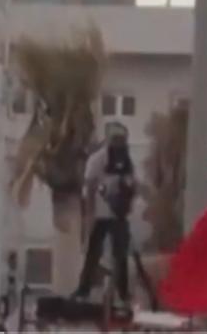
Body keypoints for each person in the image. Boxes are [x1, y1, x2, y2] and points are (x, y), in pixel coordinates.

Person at [74, 123, 137, 309]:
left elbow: (131, 185)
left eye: (122, 140)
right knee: (93, 252)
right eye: (116, 140)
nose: (119, 144)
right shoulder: (97, 160)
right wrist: (90, 216)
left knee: (121, 253)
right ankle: (84, 289)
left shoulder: (127, 159)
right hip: (100, 214)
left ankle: (123, 292)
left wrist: (126, 204)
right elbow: (90, 188)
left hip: (119, 214)